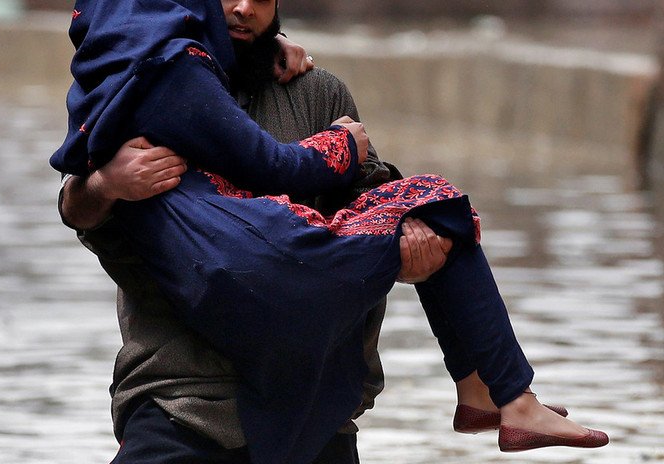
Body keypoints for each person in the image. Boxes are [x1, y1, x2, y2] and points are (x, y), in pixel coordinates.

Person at [51, 1, 609, 463]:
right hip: (183, 399)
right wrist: (105, 184)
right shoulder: (143, 85)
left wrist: (415, 245)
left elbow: (371, 195)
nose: (244, 7)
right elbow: (84, 212)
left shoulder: (317, 94)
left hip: (318, 403)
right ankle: (498, 394)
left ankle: (493, 393)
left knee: (425, 211)